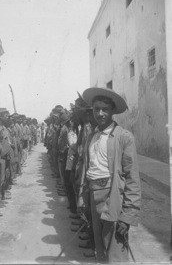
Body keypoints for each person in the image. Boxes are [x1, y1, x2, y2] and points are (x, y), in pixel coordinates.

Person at [80, 87, 141, 263]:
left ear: (112, 111)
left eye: (105, 109)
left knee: (116, 253)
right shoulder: (92, 136)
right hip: (93, 196)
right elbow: (89, 170)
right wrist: (83, 198)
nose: (100, 113)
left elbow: (132, 178)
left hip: (113, 198)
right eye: (96, 108)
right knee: (100, 250)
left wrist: (127, 216)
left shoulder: (124, 137)